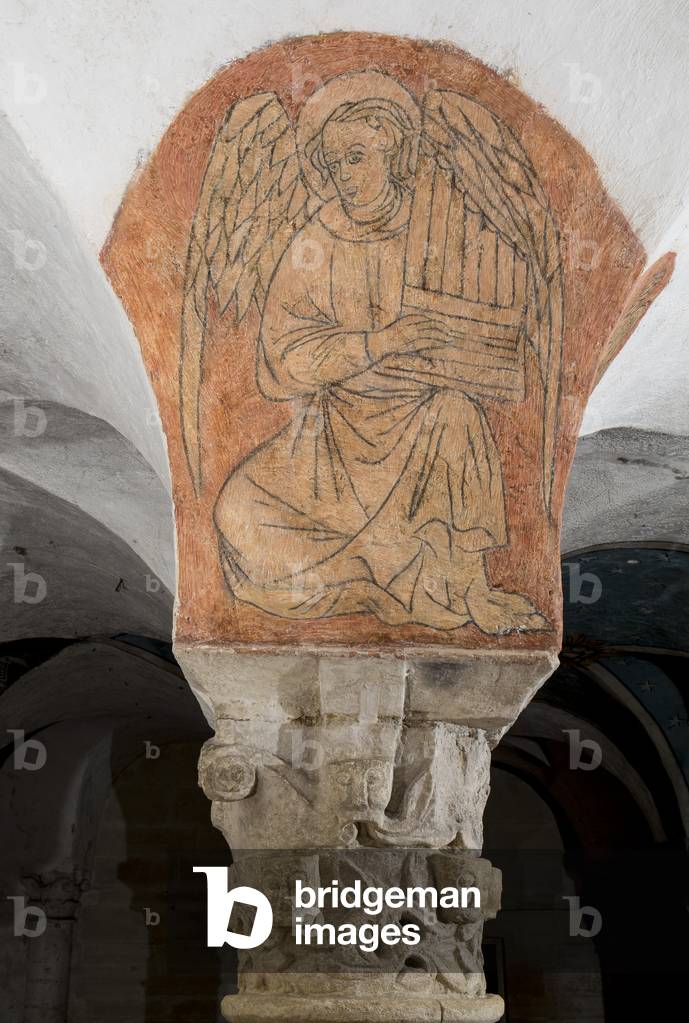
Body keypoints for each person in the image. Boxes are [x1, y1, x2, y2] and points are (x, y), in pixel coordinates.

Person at [213, 97, 546, 633]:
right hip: (331, 439)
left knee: (458, 412)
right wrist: (377, 343)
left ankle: (469, 587)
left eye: (356, 156)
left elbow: (488, 311)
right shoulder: (314, 243)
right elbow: (281, 359)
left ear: (389, 147)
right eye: (334, 163)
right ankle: (372, 571)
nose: (344, 175)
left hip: (420, 420)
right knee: (236, 511)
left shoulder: (440, 223)